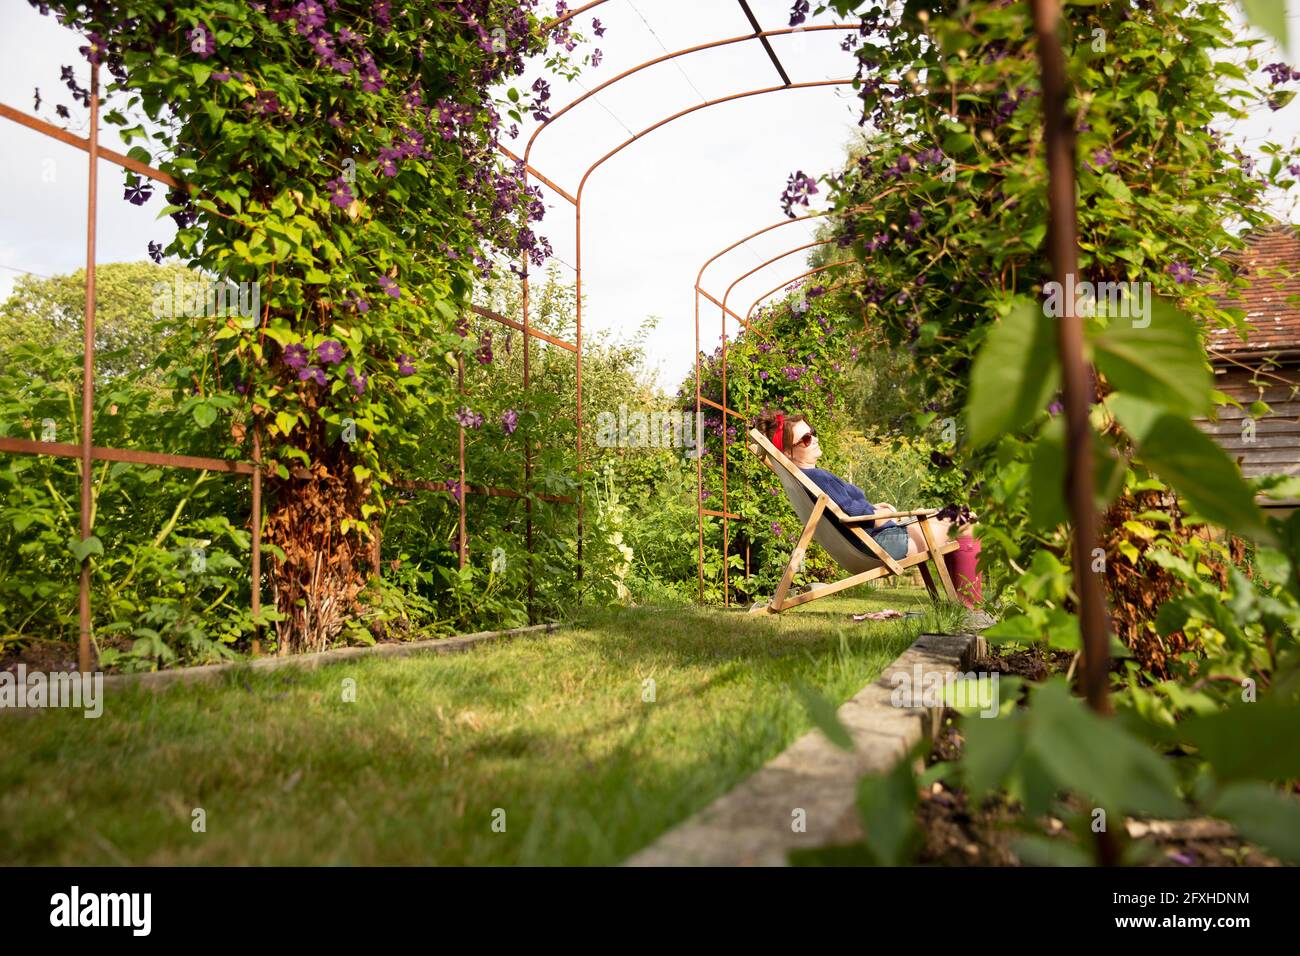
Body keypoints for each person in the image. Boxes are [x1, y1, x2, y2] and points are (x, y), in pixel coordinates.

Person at [758, 410, 977, 574]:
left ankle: (962, 607)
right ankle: (970, 610)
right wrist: (888, 515)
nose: (814, 439)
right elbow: (856, 516)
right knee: (968, 522)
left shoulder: (809, 479)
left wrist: (874, 509)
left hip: (871, 543)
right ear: (788, 453)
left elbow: (849, 511)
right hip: (882, 546)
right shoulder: (818, 479)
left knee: (955, 515)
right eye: (806, 439)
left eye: (812, 433)